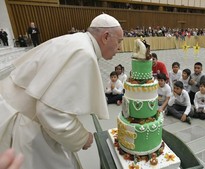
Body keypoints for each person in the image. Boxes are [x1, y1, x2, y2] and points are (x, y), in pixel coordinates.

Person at [0, 13, 123, 169]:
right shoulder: (84, 54)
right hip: (28, 128)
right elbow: (50, 111)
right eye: (119, 41)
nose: (120, 48)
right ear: (106, 36)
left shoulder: (76, 40)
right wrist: (82, 137)